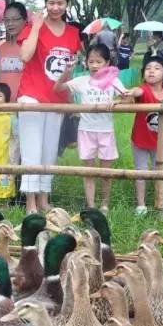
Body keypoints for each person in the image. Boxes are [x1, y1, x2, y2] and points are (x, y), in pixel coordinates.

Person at [17, 0, 81, 214]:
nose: (55, 7)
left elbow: (69, 71)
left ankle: (44, 198)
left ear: (67, 4)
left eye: (60, 3)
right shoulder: (33, 27)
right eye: (51, 2)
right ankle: (30, 203)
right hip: (32, 96)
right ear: (45, 3)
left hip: (57, 98)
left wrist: (70, 97)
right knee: (31, 149)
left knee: (49, 150)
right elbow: (25, 55)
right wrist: (36, 25)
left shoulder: (73, 33)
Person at [54, 44, 123, 213]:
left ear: (107, 63)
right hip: (86, 131)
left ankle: (105, 204)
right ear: (86, 63)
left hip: (106, 131)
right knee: (88, 171)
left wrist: (118, 101)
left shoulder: (113, 81)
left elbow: (128, 98)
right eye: (91, 61)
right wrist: (66, 73)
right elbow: (57, 89)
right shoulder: (82, 81)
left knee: (106, 172)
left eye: (99, 61)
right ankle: (91, 205)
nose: (94, 65)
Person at [121, 55, 163, 216]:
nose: (151, 71)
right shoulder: (144, 90)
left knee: (159, 172)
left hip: (160, 142)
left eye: (157, 68)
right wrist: (131, 92)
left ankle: (160, 204)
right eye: (148, 68)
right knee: (140, 172)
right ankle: (141, 205)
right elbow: (137, 91)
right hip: (140, 140)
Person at [0, 2, 28, 102]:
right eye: (7, 20)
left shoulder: (31, 47)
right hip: (4, 105)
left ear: (25, 20)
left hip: (25, 104)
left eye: (15, 19)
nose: (10, 24)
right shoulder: (3, 47)